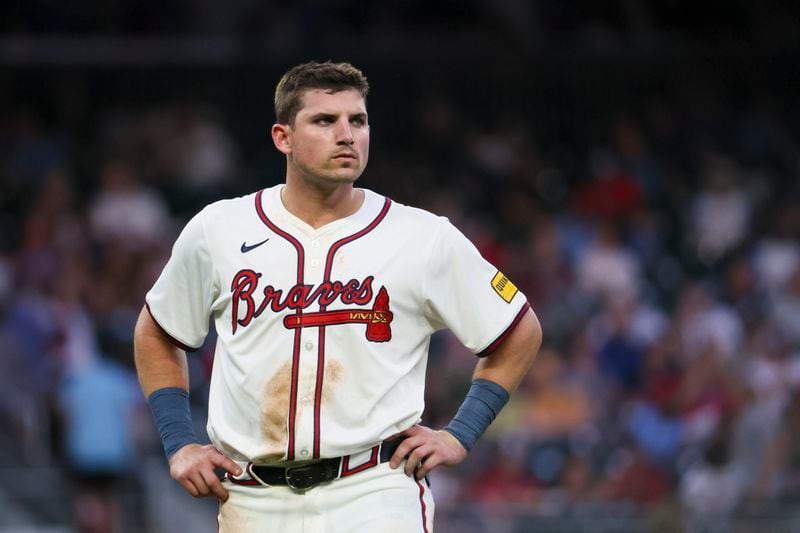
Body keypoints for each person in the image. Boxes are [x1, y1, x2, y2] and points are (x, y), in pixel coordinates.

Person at [133, 61, 542, 532]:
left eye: (358, 120)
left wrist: (461, 433)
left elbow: (518, 330)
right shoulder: (219, 229)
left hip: (375, 488)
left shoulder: (422, 236)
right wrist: (178, 441)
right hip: (254, 498)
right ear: (282, 137)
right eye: (325, 121)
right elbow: (157, 331)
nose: (347, 134)